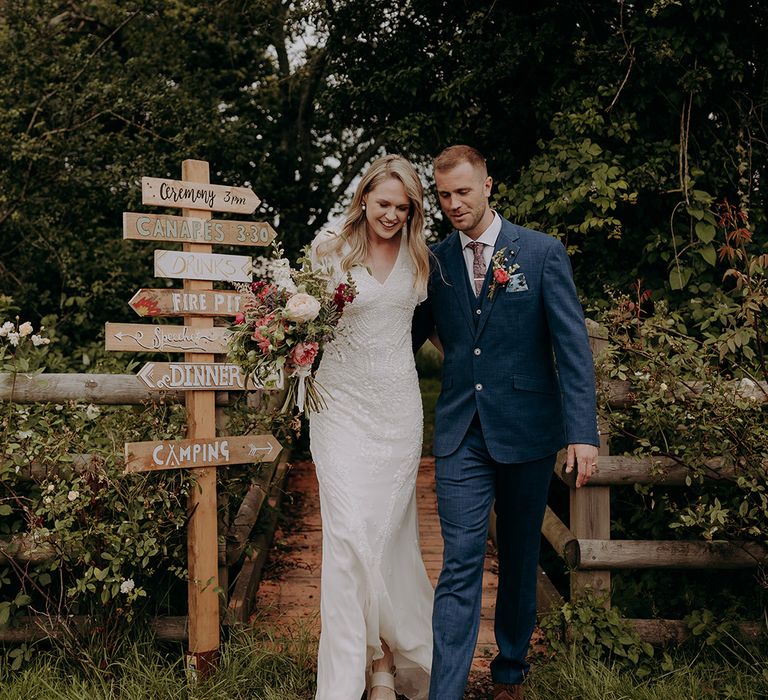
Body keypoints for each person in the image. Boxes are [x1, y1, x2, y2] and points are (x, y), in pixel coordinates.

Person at [412, 145, 599, 700]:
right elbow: (403, 335)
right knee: (460, 562)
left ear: (489, 185)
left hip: (528, 430)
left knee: (519, 559)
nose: (453, 205)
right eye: (444, 196)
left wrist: (581, 431)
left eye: (463, 192)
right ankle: (445, 691)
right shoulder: (436, 262)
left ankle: (510, 670)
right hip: (459, 433)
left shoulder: (540, 253)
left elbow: (572, 347)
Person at [309, 154, 433, 700]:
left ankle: (383, 665)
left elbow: (438, 330)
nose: (392, 216)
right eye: (384, 204)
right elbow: (302, 325)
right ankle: (341, 682)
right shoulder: (328, 249)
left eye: (402, 209)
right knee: (345, 538)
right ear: (363, 198)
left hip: (397, 413)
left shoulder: (421, 258)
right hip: (337, 408)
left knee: (384, 539)